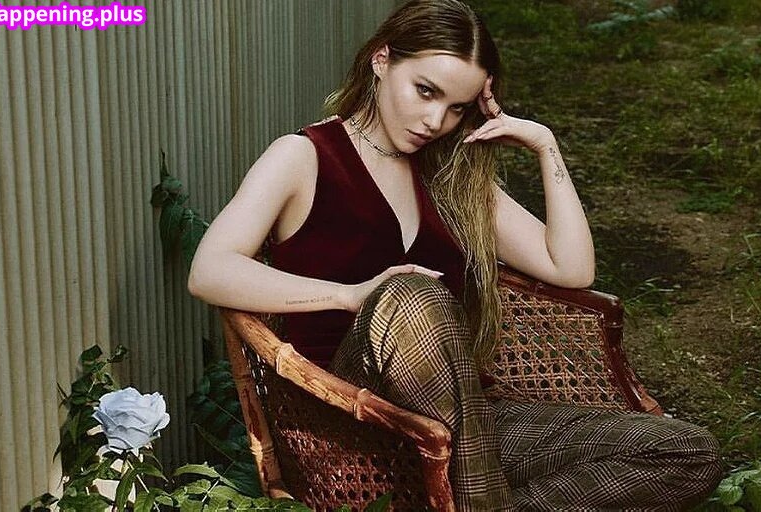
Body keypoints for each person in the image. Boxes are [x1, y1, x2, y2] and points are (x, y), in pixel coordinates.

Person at [187, 0, 723, 510]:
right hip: (353, 421)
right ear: (381, 60)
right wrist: (352, 295)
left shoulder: (452, 176)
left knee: (685, 452)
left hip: (471, 423)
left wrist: (545, 146)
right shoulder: (304, 157)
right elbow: (210, 269)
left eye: (456, 107)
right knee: (409, 293)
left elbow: (572, 268)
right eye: (425, 91)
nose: (434, 120)